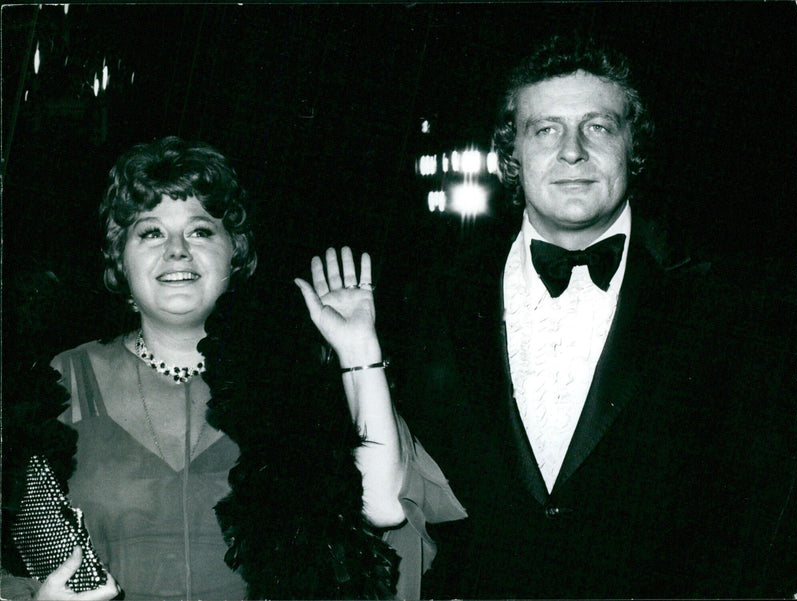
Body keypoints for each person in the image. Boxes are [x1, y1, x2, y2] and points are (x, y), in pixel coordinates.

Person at [389, 35, 797, 598]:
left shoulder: (726, 303)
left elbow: (759, 509)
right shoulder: (433, 298)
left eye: (599, 126)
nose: (573, 150)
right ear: (512, 155)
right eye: (546, 129)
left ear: (634, 146)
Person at [2, 136, 464, 600]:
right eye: (151, 232)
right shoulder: (57, 383)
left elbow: (383, 507)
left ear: (234, 253)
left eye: (200, 231)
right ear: (120, 258)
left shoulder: (287, 379)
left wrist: (357, 348)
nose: (177, 250)